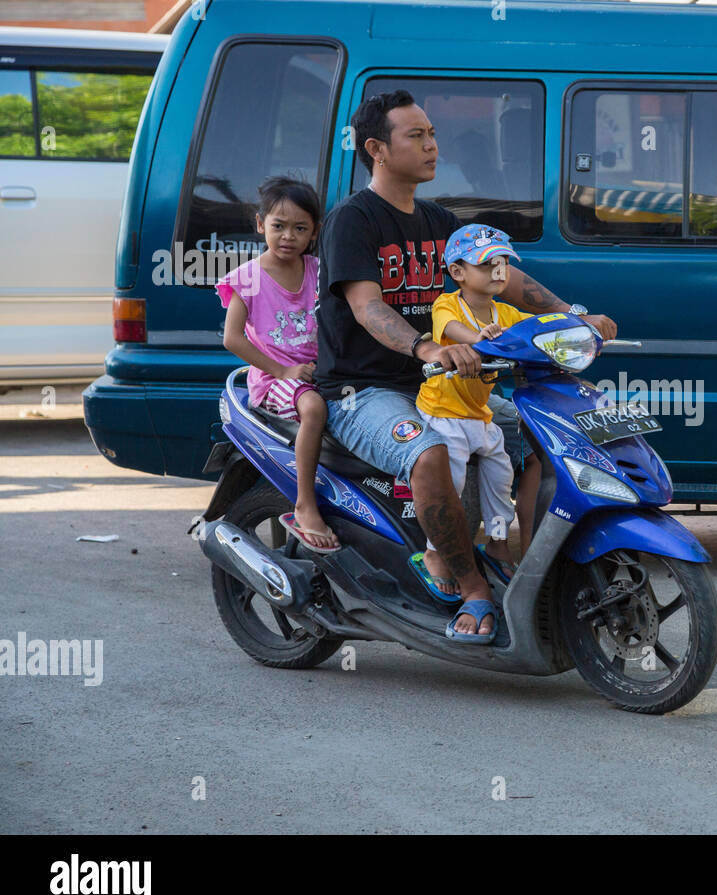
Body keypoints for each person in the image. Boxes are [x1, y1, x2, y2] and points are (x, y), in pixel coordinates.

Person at [314, 89, 616, 642]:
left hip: (451, 385)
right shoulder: (351, 221)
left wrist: (573, 315)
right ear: (377, 149)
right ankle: (470, 587)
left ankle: (511, 555)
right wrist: (424, 347)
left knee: (541, 432)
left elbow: (506, 278)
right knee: (428, 454)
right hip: (363, 391)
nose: (432, 146)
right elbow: (367, 306)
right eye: (417, 136)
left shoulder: (440, 221)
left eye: (432, 134)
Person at [218, 176, 338, 552]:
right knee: (313, 408)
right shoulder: (248, 279)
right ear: (260, 224)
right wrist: (283, 371)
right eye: (279, 226)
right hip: (275, 380)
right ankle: (305, 505)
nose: (288, 236)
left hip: (322, 373)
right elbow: (232, 338)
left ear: (314, 231)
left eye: (300, 228)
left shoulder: (319, 270)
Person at [413, 224, 527, 615]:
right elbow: (454, 331)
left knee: (502, 476)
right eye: (487, 264)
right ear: (458, 272)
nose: (498, 272)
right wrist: (482, 338)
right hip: (444, 415)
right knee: (451, 484)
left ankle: (497, 541)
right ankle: (435, 553)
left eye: (503, 264)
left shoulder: (506, 312)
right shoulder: (448, 304)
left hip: (480, 415)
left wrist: (576, 324)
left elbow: (533, 329)